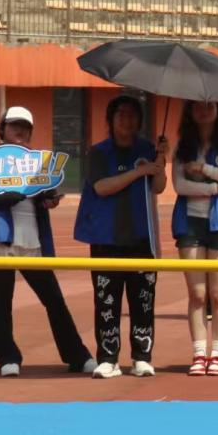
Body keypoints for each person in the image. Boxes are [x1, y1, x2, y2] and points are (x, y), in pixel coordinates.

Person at [0, 106, 94, 376]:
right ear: (2, 129)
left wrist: (49, 200)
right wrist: (6, 198)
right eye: (15, 125)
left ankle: (78, 356)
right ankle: (7, 359)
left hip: (33, 241)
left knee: (54, 299)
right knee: (2, 300)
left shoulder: (39, 163)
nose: (20, 131)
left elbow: (47, 194)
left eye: (25, 127)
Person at [73, 94, 166, 379]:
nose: (127, 120)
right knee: (107, 301)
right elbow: (102, 187)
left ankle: (142, 357)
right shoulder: (99, 152)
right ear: (110, 120)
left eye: (132, 114)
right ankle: (108, 358)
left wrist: (161, 160)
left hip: (141, 237)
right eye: (121, 114)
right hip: (106, 238)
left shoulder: (148, 149)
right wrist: (139, 172)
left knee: (143, 300)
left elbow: (158, 187)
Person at [171, 100, 218, 375]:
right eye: (197, 107)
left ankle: (217, 354)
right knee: (197, 293)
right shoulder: (182, 146)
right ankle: (198, 353)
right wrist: (216, 187)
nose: (203, 111)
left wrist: (204, 170)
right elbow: (179, 186)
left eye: (209, 106)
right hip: (190, 223)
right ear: (189, 112)